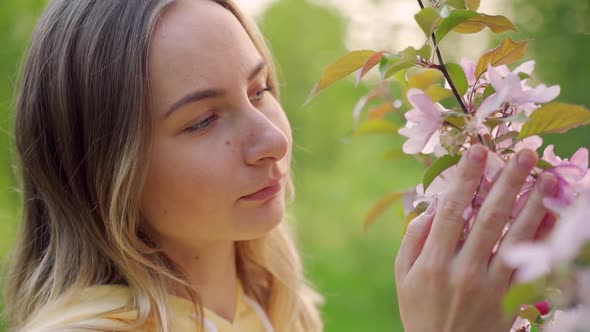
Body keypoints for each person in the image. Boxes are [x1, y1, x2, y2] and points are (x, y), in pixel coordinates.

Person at [2, 0, 558, 331]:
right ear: (104, 170)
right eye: (202, 121)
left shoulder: (273, 309)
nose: (272, 139)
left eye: (261, 89)